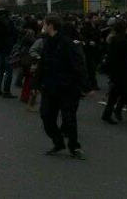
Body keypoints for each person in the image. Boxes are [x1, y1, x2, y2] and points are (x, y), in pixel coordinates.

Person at [33, 14, 92, 160]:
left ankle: (75, 147)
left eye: (45, 24)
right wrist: (36, 84)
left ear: (51, 25)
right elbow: (42, 65)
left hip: (67, 88)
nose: (43, 26)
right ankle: (58, 142)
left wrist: (86, 86)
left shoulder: (67, 43)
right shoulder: (47, 43)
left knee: (69, 119)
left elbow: (78, 66)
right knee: (46, 116)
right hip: (50, 87)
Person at [0, 10, 17, 98]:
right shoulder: (10, 23)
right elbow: (14, 35)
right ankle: (6, 91)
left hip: (0, 49)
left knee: (0, 70)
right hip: (8, 49)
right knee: (9, 70)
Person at [80, 13, 102, 90]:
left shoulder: (97, 27)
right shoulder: (85, 27)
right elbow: (83, 38)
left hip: (96, 50)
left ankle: (90, 82)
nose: (96, 19)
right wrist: (89, 42)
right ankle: (92, 83)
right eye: (95, 18)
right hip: (88, 50)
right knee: (91, 67)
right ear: (91, 19)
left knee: (93, 67)